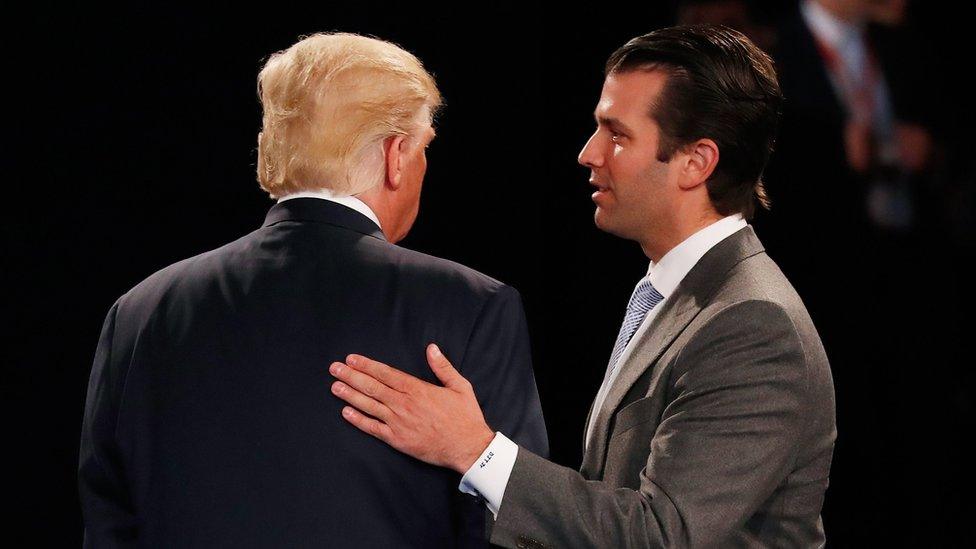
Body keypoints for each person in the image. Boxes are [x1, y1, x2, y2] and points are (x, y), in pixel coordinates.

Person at [328, 25, 836, 547]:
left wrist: (475, 449)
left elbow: (662, 535)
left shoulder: (751, 324)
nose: (588, 154)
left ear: (696, 162)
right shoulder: (678, 292)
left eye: (617, 135)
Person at [78, 32, 548, 548]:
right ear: (396, 155)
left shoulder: (139, 312)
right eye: (423, 149)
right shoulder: (473, 307)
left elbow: (109, 525)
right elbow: (513, 529)